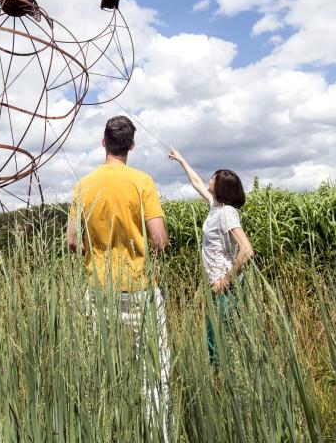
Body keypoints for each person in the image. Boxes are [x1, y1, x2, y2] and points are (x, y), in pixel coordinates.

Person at [68, 115, 170, 436]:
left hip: (98, 291)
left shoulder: (83, 186)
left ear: (103, 142)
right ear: (132, 146)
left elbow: (72, 241)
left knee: (100, 372)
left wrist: (93, 251)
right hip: (140, 290)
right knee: (154, 375)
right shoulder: (142, 182)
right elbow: (160, 240)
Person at [168, 148, 254, 364]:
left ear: (222, 186)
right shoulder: (215, 206)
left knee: (219, 340)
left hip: (224, 287)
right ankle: (223, 382)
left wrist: (226, 280)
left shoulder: (226, 212)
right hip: (216, 285)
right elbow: (197, 182)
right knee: (214, 337)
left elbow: (246, 249)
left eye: (214, 177)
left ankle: (226, 382)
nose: (210, 178)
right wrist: (182, 160)